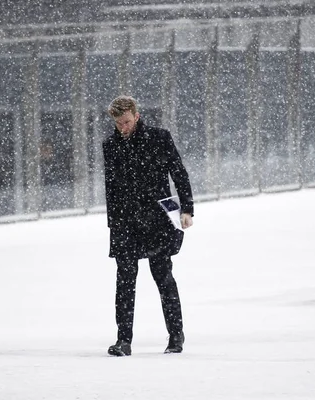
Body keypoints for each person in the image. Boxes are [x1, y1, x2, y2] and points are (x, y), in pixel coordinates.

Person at [102, 95, 194, 357]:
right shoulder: (111, 146)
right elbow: (112, 189)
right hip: (125, 222)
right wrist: (114, 226)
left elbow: (179, 173)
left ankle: (176, 335)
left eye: (127, 121)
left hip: (157, 220)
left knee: (163, 277)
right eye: (119, 123)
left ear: (137, 115)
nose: (123, 127)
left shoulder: (159, 138)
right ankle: (124, 340)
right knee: (125, 282)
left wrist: (187, 209)